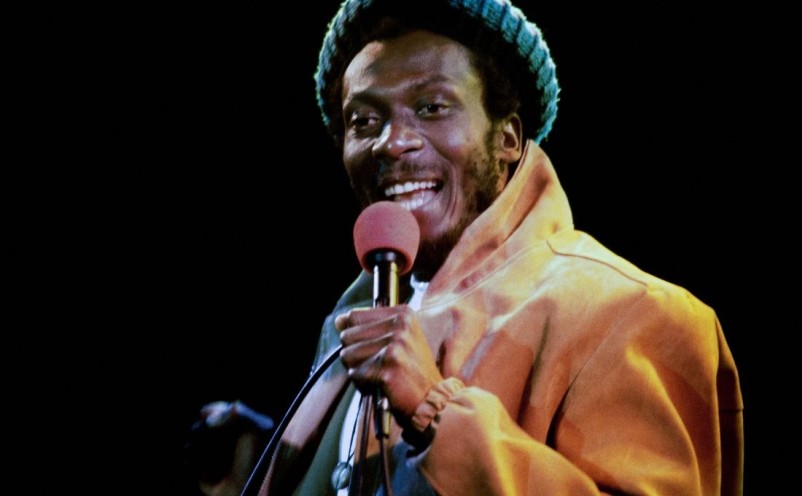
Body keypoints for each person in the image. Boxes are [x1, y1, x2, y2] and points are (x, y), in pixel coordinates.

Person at [187, 0, 744, 494]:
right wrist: (268, 463)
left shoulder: (636, 313)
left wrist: (436, 411)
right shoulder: (349, 324)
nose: (391, 143)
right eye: (365, 120)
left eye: (432, 107)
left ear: (508, 139)